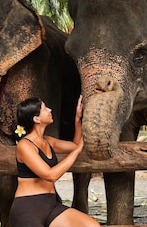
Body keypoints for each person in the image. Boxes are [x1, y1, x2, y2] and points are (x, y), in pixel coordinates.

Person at [9, 95, 100, 227]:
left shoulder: (48, 141)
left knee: (91, 225)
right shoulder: (25, 145)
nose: (50, 110)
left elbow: (74, 145)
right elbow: (50, 175)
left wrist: (77, 119)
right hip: (28, 208)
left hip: (51, 206)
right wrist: (77, 151)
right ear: (36, 119)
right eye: (45, 108)